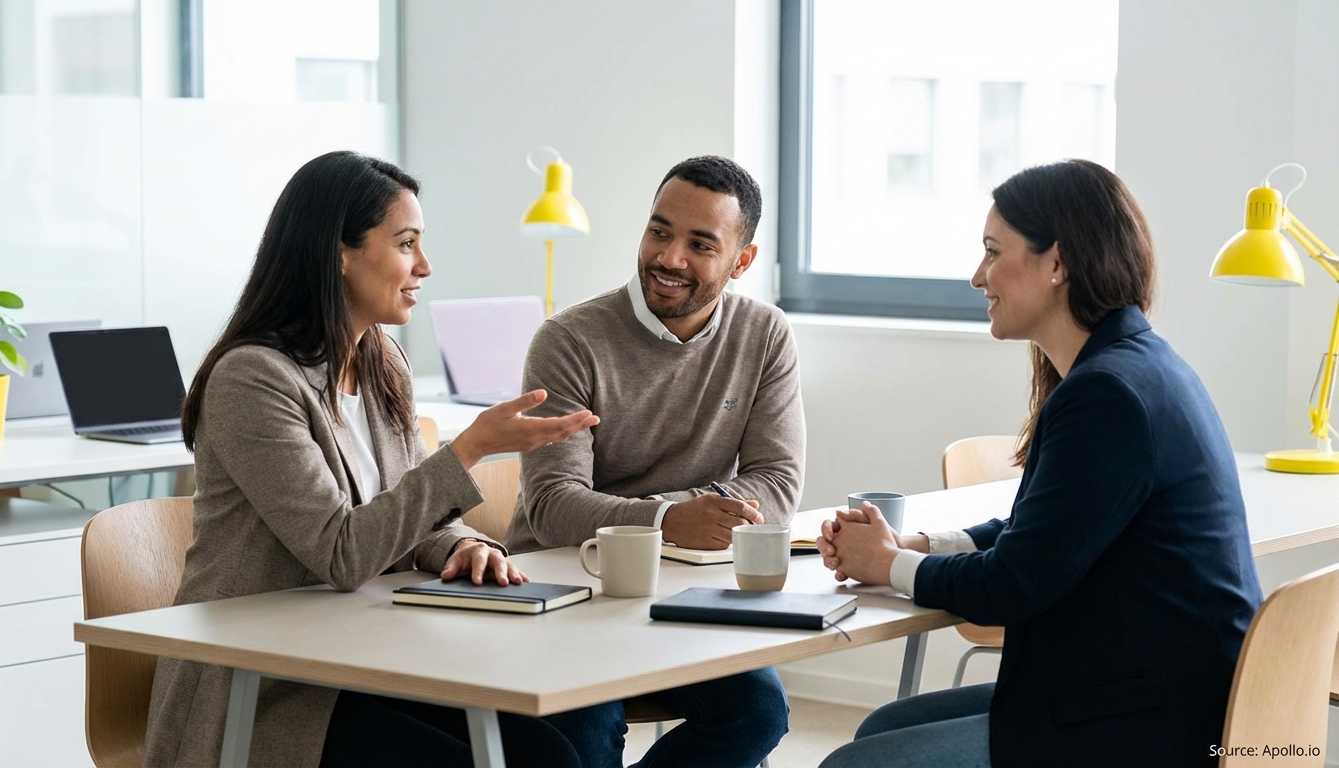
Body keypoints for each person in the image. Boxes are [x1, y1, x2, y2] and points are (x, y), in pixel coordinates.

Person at [143, 151, 602, 768]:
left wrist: (463, 547)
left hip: (368, 660)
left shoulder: (382, 363)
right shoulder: (252, 379)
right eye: (406, 243)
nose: (425, 266)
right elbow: (342, 553)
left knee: (549, 754)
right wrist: (469, 449)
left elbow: (416, 517)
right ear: (339, 253)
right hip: (266, 683)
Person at [817, 159, 1263, 768]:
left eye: (993, 252)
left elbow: (1015, 583)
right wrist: (922, 543)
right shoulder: (1134, 367)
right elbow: (1043, 536)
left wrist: (891, 564)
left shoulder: (1108, 393)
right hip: (1166, 692)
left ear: (1057, 263)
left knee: (855, 763)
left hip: (1158, 725)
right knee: (883, 727)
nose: (978, 277)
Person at [503, 156, 802, 767]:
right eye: (659, 231)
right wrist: (672, 521)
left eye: (700, 244)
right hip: (568, 595)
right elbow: (554, 505)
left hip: (684, 598)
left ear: (742, 261)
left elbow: (777, 481)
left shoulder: (765, 334)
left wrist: (689, 521)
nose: (669, 258)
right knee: (583, 739)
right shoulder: (569, 340)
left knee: (759, 712)